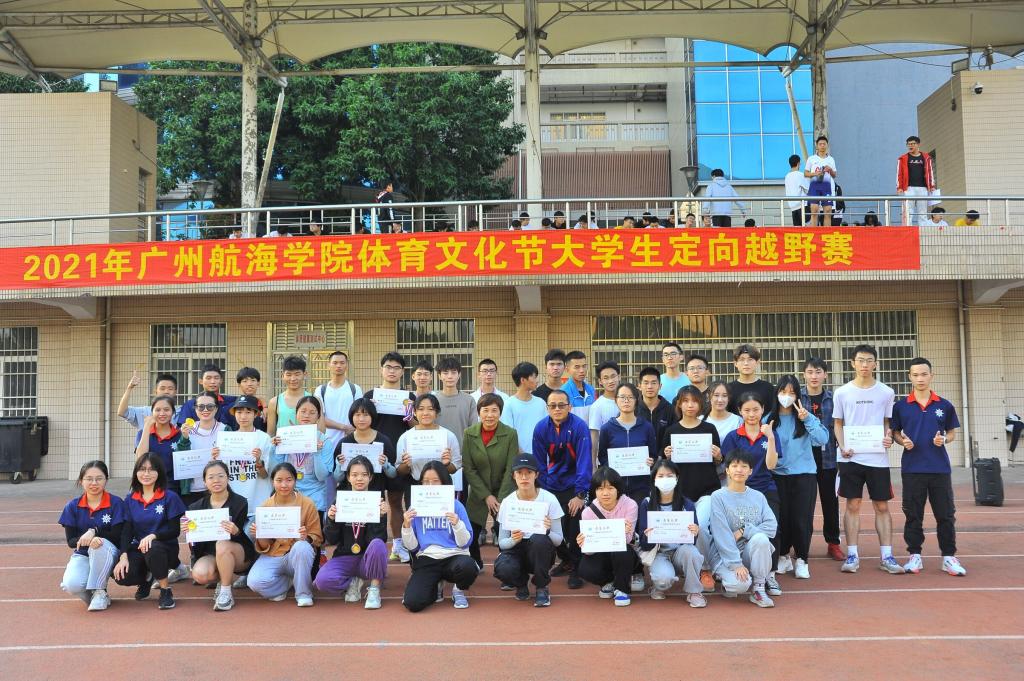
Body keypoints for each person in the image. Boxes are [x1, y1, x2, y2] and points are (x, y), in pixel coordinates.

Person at [890, 357, 965, 576]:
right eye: (915, 375)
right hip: (912, 469)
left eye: (924, 374)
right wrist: (902, 441)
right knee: (913, 514)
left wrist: (944, 439)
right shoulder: (901, 406)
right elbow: (895, 432)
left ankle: (948, 557)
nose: (920, 378)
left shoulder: (944, 405)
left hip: (939, 469)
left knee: (946, 514)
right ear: (909, 377)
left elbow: (951, 433)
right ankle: (915, 555)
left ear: (931, 375)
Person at [832, 344, 901, 575]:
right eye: (860, 360)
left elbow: (887, 423)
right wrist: (842, 446)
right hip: (850, 458)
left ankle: (887, 556)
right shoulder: (842, 392)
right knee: (852, 505)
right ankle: (852, 555)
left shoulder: (886, 392)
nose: (864, 364)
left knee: (882, 506)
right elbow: (838, 424)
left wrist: (888, 437)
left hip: (877, 459)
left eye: (869, 360)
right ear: (852, 363)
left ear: (876, 364)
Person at [766, 375, 829, 580]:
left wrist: (807, 419)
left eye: (792, 393)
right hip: (777, 476)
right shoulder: (768, 419)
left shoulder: (805, 417)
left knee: (802, 519)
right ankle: (783, 555)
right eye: (783, 392)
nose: (787, 396)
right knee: (781, 519)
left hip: (804, 475)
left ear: (798, 396)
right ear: (776, 393)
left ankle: (802, 559)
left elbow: (822, 439)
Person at [660, 384, 723, 590]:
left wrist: (718, 456)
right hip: (680, 493)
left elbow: (719, 462)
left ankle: (705, 568)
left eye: (694, 401)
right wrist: (666, 457)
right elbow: (664, 467)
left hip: (706, 490)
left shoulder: (709, 429)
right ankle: (683, 564)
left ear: (700, 404)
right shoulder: (671, 431)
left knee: (700, 527)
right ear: (679, 404)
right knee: (681, 530)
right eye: (685, 401)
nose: (690, 405)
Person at [721, 392, 782, 595]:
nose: (752, 414)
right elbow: (729, 468)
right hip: (739, 490)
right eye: (747, 410)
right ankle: (734, 568)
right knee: (735, 530)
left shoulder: (771, 434)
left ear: (763, 410)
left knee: (772, 531)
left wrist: (770, 437)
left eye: (756, 409)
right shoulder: (733, 436)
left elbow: (771, 465)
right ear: (740, 411)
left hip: (765, 489)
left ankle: (769, 575)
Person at [533, 389, 591, 590]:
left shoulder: (579, 427)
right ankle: (566, 560)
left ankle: (576, 568)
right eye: (553, 405)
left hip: (574, 486)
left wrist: (580, 494)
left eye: (561, 405)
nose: (557, 409)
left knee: (574, 528)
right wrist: (542, 491)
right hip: (550, 485)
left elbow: (584, 461)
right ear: (547, 408)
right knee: (551, 528)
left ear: (570, 407)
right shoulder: (541, 428)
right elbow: (539, 464)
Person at [401, 461, 479, 611]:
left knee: (468, 567)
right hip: (428, 558)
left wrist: (457, 524)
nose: (430, 486)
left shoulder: (456, 505)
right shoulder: (415, 508)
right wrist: (407, 526)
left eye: (435, 481)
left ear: (444, 482)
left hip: (455, 556)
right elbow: (412, 547)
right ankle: (435, 586)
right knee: (413, 603)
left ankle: (458, 589)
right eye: (426, 481)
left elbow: (465, 543)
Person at [113, 455, 187, 610]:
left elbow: (174, 531)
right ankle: (146, 579)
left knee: (152, 548)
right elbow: (127, 531)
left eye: (151, 469)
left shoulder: (169, 497)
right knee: (123, 574)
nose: (146, 474)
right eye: (142, 469)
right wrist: (123, 555)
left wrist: (154, 536)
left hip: (165, 548)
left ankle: (165, 590)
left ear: (159, 472)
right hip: (140, 548)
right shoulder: (130, 499)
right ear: (136, 472)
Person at [315, 455, 390, 608]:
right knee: (322, 582)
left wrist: (381, 516)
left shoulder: (377, 502)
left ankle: (374, 589)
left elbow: (379, 539)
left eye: (364, 475)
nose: (359, 479)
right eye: (354, 475)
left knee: (378, 544)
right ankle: (351, 582)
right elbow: (331, 539)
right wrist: (331, 520)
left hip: (366, 559)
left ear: (370, 477)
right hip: (345, 556)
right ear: (348, 478)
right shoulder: (341, 501)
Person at [708, 449, 778, 607]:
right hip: (725, 555)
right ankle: (727, 580)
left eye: (744, 466)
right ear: (727, 470)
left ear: (750, 471)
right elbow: (721, 534)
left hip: (749, 552)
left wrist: (744, 531)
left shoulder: (758, 497)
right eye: (734, 466)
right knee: (739, 586)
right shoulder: (718, 497)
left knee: (761, 539)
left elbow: (771, 527)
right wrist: (736, 564)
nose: (739, 470)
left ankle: (759, 588)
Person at [365, 352, 416, 562]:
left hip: (399, 456)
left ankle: (397, 544)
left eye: (396, 368)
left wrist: (409, 412)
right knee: (372, 502)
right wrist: (371, 409)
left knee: (395, 501)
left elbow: (415, 427)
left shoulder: (409, 397)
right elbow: (361, 422)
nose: (392, 371)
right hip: (373, 455)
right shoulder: (370, 395)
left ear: (402, 372)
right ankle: (369, 544)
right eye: (388, 367)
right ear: (381, 369)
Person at [182, 460, 254, 611]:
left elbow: (240, 536)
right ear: (204, 481)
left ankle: (226, 592)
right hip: (211, 554)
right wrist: (189, 531)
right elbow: (195, 544)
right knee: (200, 574)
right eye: (211, 477)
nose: (216, 480)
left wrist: (236, 531)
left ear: (228, 478)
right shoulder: (195, 507)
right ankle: (222, 579)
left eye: (221, 476)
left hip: (237, 552)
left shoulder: (240, 502)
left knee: (222, 544)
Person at [247, 462, 323, 606]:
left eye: (289, 480)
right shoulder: (265, 506)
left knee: (302, 547)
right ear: (272, 481)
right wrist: (260, 535)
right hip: (274, 554)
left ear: (295, 481)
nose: (284, 485)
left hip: (297, 555)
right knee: (254, 582)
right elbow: (265, 546)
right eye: (279, 480)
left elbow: (317, 538)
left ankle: (303, 593)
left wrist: (306, 537)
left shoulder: (307, 504)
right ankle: (287, 582)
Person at [493, 455, 564, 606]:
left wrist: (547, 531)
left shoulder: (549, 499)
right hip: (516, 548)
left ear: (536, 475)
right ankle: (520, 584)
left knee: (539, 539)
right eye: (519, 473)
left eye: (529, 473)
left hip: (540, 549)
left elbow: (558, 540)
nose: (524, 477)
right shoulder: (507, 502)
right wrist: (513, 539)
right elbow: (502, 543)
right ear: (514, 476)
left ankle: (541, 587)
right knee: (504, 568)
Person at [636, 459, 706, 607]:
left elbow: (692, 542)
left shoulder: (687, 504)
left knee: (692, 552)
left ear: (677, 478)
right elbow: (644, 545)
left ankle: (694, 592)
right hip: (658, 554)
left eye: (670, 476)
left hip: (680, 552)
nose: (665, 479)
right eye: (660, 476)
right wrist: (648, 537)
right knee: (663, 580)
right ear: (654, 479)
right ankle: (658, 584)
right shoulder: (647, 503)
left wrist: (695, 532)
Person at [58, 460, 127, 611]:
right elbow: (71, 541)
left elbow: (117, 535)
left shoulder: (116, 503)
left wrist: (95, 532)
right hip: (83, 554)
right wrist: (89, 541)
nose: (94, 483)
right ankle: (97, 595)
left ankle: (99, 590)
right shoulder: (72, 506)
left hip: (108, 552)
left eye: (99, 478)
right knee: (71, 585)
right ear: (81, 480)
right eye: (89, 479)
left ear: (106, 480)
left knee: (99, 545)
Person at [461, 393, 518, 568]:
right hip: (479, 491)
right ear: (479, 412)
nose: (490, 415)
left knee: (505, 531)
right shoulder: (469, 434)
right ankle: (476, 562)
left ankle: (506, 565)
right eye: (485, 410)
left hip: (503, 491)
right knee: (470, 531)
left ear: (500, 412)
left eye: (494, 410)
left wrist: (500, 499)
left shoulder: (510, 434)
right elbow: (469, 468)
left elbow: (510, 469)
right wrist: (486, 496)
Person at [576, 467, 640, 606]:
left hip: (625, 551)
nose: (605, 493)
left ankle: (622, 589)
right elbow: (589, 552)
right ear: (594, 491)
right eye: (600, 489)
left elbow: (628, 540)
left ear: (618, 489)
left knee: (622, 551)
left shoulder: (630, 505)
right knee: (585, 570)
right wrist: (584, 543)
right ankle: (608, 581)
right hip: (602, 553)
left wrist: (624, 532)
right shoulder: (588, 512)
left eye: (610, 488)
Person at [801, 358, 843, 561]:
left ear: (825, 375)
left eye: (818, 372)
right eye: (810, 372)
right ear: (804, 375)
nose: (814, 376)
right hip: (803, 458)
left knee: (830, 503)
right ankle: (800, 543)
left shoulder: (833, 399)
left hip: (828, 458)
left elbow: (841, 425)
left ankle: (833, 543)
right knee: (803, 504)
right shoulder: (797, 398)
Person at [268, 396, 334, 514]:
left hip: (315, 501)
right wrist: (273, 449)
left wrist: (317, 453)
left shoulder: (324, 441)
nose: (307, 415)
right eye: (303, 411)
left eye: (312, 412)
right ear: (296, 413)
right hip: (288, 498)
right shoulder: (286, 436)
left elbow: (322, 477)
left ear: (318, 416)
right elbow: (274, 471)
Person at [597, 383, 656, 505]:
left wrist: (651, 462)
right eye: (622, 397)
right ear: (616, 400)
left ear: (636, 400)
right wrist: (612, 466)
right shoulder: (607, 428)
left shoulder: (647, 427)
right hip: (615, 487)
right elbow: (602, 457)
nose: (626, 401)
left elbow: (653, 455)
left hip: (641, 486)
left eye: (630, 397)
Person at [333, 398, 399, 495]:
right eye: (357, 414)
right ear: (351, 416)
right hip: (349, 497)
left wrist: (386, 465)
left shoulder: (383, 441)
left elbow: (393, 474)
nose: (361, 419)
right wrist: (339, 466)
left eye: (366, 415)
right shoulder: (344, 443)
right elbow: (337, 478)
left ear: (372, 416)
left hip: (375, 495)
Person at [396, 393, 463, 488]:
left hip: (442, 486)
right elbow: (400, 470)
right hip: (415, 484)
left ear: (437, 412)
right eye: (421, 409)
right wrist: (406, 464)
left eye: (430, 409)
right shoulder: (406, 437)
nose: (425, 413)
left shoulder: (448, 436)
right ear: (414, 412)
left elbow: (455, 468)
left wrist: (447, 464)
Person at [175, 390, 231, 500]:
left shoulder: (225, 429)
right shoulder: (187, 430)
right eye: (201, 407)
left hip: (219, 489)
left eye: (210, 406)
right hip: (193, 490)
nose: (205, 410)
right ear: (195, 409)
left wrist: (220, 456)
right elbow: (180, 461)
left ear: (216, 408)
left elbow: (232, 458)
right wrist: (184, 438)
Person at [317, 350, 364, 457]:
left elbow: (359, 414)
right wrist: (344, 427)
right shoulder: (320, 390)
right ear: (328, 365)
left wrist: (350, 428)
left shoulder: (355, 389)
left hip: (350, 440)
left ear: (347, 365)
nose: (338, 366)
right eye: (335, 363)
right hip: (326, 441)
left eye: (342, 363)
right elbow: (320, 417)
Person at [134, 395, 182, 493]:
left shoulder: (180, 435)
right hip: (148, 486)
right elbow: (140, 458)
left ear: (173, 412)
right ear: (152, 412)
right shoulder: (143, 433)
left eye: (166, 410)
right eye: (158, 410)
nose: (162, 413)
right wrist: (147, 427)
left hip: (173, 487)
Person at [117, 371, 179, 443]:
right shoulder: (145, 411)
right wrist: (129, 388)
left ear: (176, 392)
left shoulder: (182, 411)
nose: (166, 391)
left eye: (170, 389)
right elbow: (122, 412)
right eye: (162, 388)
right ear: (156, 391)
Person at [500, 361, 548, 455]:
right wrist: (523, 456)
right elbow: (508, 435)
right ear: (523, 380)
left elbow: (547, 429)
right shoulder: (508, 404)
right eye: (534, 377)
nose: (537, 380)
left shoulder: (541, 403)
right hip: (518, 458)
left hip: (541, 456)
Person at [434, 356, 479, 452]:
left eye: (454, 372)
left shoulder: (469, 400)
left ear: (459, 375)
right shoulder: (433, 400)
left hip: (463, 453)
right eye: (445, 373)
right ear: (439, 376)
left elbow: (474, 430)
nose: (450, 376)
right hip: (437, 453)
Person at [703, 380, 742, 485]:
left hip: (731, 477)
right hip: (704, 476)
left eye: (724, 396)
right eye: (716, 395)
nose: (720, 400)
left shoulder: (738, 421)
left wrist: (721, 458)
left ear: (729, 398)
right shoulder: (700, 420)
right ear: (708, 397)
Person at [177, 364, 237, 428]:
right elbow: (183, 428)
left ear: (221, 381)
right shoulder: (190, 405)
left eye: (216, 378)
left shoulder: (232, 402)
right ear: (200, 381)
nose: (213, 382)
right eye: (208, 378)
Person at [896, 135, 936, 226]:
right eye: (908, 144)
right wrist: (899, 187)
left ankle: (923, 230)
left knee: (923, 212)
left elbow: (930, 171)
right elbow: (899, 174)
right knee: (908, 211)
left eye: (913, 144)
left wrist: (932, 186)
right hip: (908, 188)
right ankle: (906, 230)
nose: (910, 146)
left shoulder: (926, 157)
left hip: (923, 188)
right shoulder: (902, 158)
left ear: (918, 144)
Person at [267, 355, 311, 436]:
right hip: (283, 444)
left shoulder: (314, 400)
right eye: (289, 374)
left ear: (305, 374)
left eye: (297, 374)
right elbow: (270, 434)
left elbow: (321, 430)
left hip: (308, 444)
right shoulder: (274, 402)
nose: (293, 379)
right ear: (282, 376)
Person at [727, 343, 776, 415]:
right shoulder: (728, 389)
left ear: (757, 362)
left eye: (750, 359)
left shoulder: (768, 388)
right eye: (742, 359)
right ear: (735, 363)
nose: (746, 363)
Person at [589, 360, 621, 452]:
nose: (610, 381)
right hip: (607, 456)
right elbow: (594, 436)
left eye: (613, 376)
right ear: (600, 381)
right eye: (606, 378)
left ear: (619, 377)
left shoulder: (629, 401)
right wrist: (593, 460)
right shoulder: (597, 406)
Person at [805, 135, 837, 226]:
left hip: (826, 187)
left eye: (824, 144)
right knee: (814, 210)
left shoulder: (831, 159)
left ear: (827, 145)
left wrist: (830, 170)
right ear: (817, 146)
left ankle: (827, 232)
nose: (822, 146)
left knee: (828, 211)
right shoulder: (811, 159)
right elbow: (806, 173)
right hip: (814, 187)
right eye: (820, 144)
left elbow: (834, 175)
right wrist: (815, 174)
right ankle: (814, 232)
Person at [637, 367, 674, 446]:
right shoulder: (633, 409)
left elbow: (674, 435)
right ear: (639, 386)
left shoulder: (670, 409)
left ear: (660, 386)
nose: (650, 386)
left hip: (664, 454)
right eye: (646, 383)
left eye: (654, 383)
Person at [562, 350, 596, 423]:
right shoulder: (563, 392)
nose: (582, 370)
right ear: (567, 369)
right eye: (577, 367)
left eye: (584, 366)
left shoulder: (591, 389)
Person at [234, 367, 266, 432]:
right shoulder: (234, 406)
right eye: (245, 381)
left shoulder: (264, 406)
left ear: (258, 383)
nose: (249, 384)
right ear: (239, 385)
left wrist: (265, 406)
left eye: (253, 380)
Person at [784, 154, 808, 226]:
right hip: (802, 206)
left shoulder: (787, 176)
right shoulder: (800, 175)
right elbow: (808, 189)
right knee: (807, 229)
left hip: (792, 207)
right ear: (798, 163)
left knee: (797, 229)